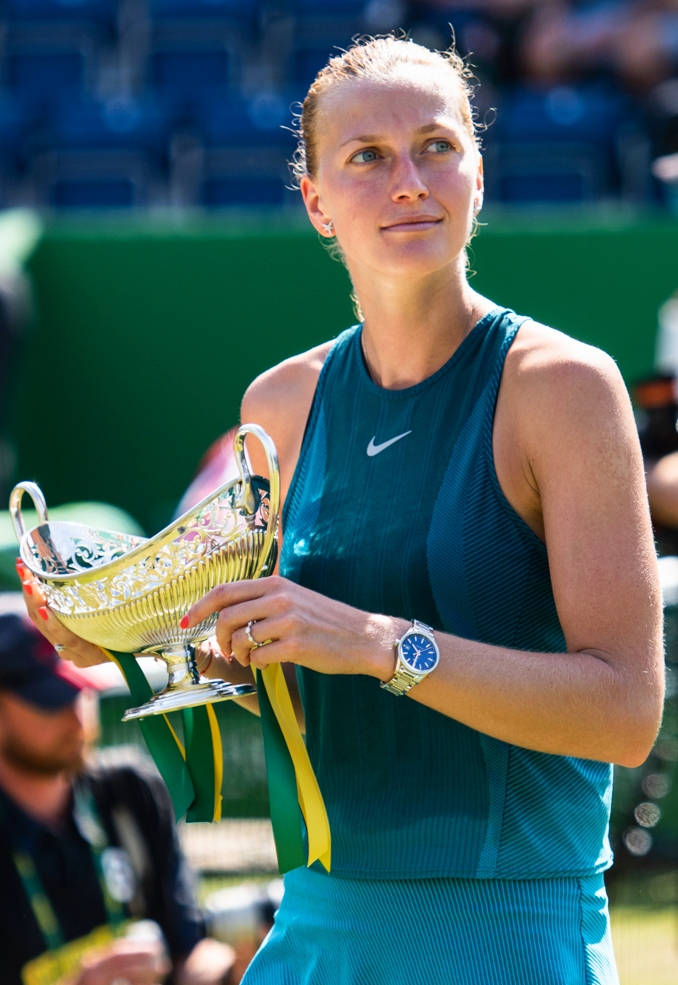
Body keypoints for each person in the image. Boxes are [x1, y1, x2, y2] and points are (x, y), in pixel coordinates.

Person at [20, 34, 665, 985]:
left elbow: (624, 712)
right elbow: (273, 653)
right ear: (316, 201)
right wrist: (127, 638)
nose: (409, 180)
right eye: (367, 156)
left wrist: (377, 642)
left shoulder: (565, 387)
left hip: (517, 937)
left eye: (438, 146)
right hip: (321, 934)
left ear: (476, 176)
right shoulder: (277, 405)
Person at [0, 611, 235, 985]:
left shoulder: (130, 791)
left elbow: (190, 952)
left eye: (82, 691)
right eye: (51, 700)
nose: (77, 718)